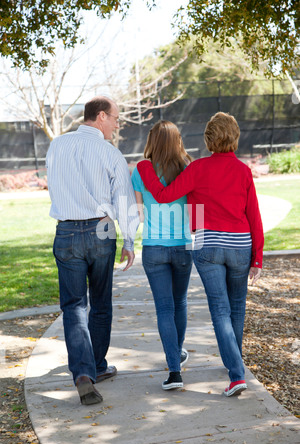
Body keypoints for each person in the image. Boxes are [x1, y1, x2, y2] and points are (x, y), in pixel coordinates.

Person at [137, 112, 264, 397]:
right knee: (237, 308)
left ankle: (236, 374)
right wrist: (258, 257)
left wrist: (146, 168)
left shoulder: (198, 169)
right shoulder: (243, 170)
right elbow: (253, 215)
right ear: (235, 137)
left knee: (220, 310)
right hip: (241, 245)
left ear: (208, 140)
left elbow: (163, 195)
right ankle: (235, 366)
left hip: (208, 247)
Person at [46, 96, 139, 405]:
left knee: (74, 306)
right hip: (101, 232)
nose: (116, 124)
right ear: (100, 116)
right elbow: (124, 201)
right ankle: (96, 367)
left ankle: (84, 374)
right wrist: (128, 240)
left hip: (67, 231)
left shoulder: (57, 146)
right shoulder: (110, 153)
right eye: (114, 118)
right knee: (100, 303)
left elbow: (54, 184)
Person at [131, 120, 193, 390]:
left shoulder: (140, 171)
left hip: (154, 246)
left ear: (152, 141)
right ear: (177, 140)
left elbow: (139, 213)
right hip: (182, 245)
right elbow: (194, 208)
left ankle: (174, 370)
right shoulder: (188, 168)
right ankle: (175, 355)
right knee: (179, 303)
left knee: (165, 308)